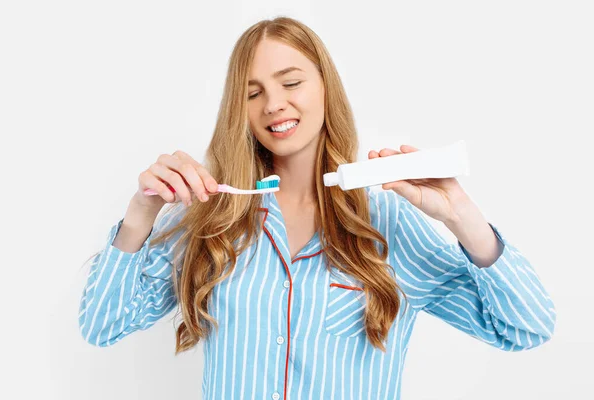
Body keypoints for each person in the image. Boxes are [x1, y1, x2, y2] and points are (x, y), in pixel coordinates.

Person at [79, 16, 556, 400]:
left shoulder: (386, 224)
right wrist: (141, 214)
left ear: (326, 88)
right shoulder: (210, 215)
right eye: (253, 93)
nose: (273, 104)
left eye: (291, 83)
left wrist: (462, 217)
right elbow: (102, 326)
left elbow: (526, 328)